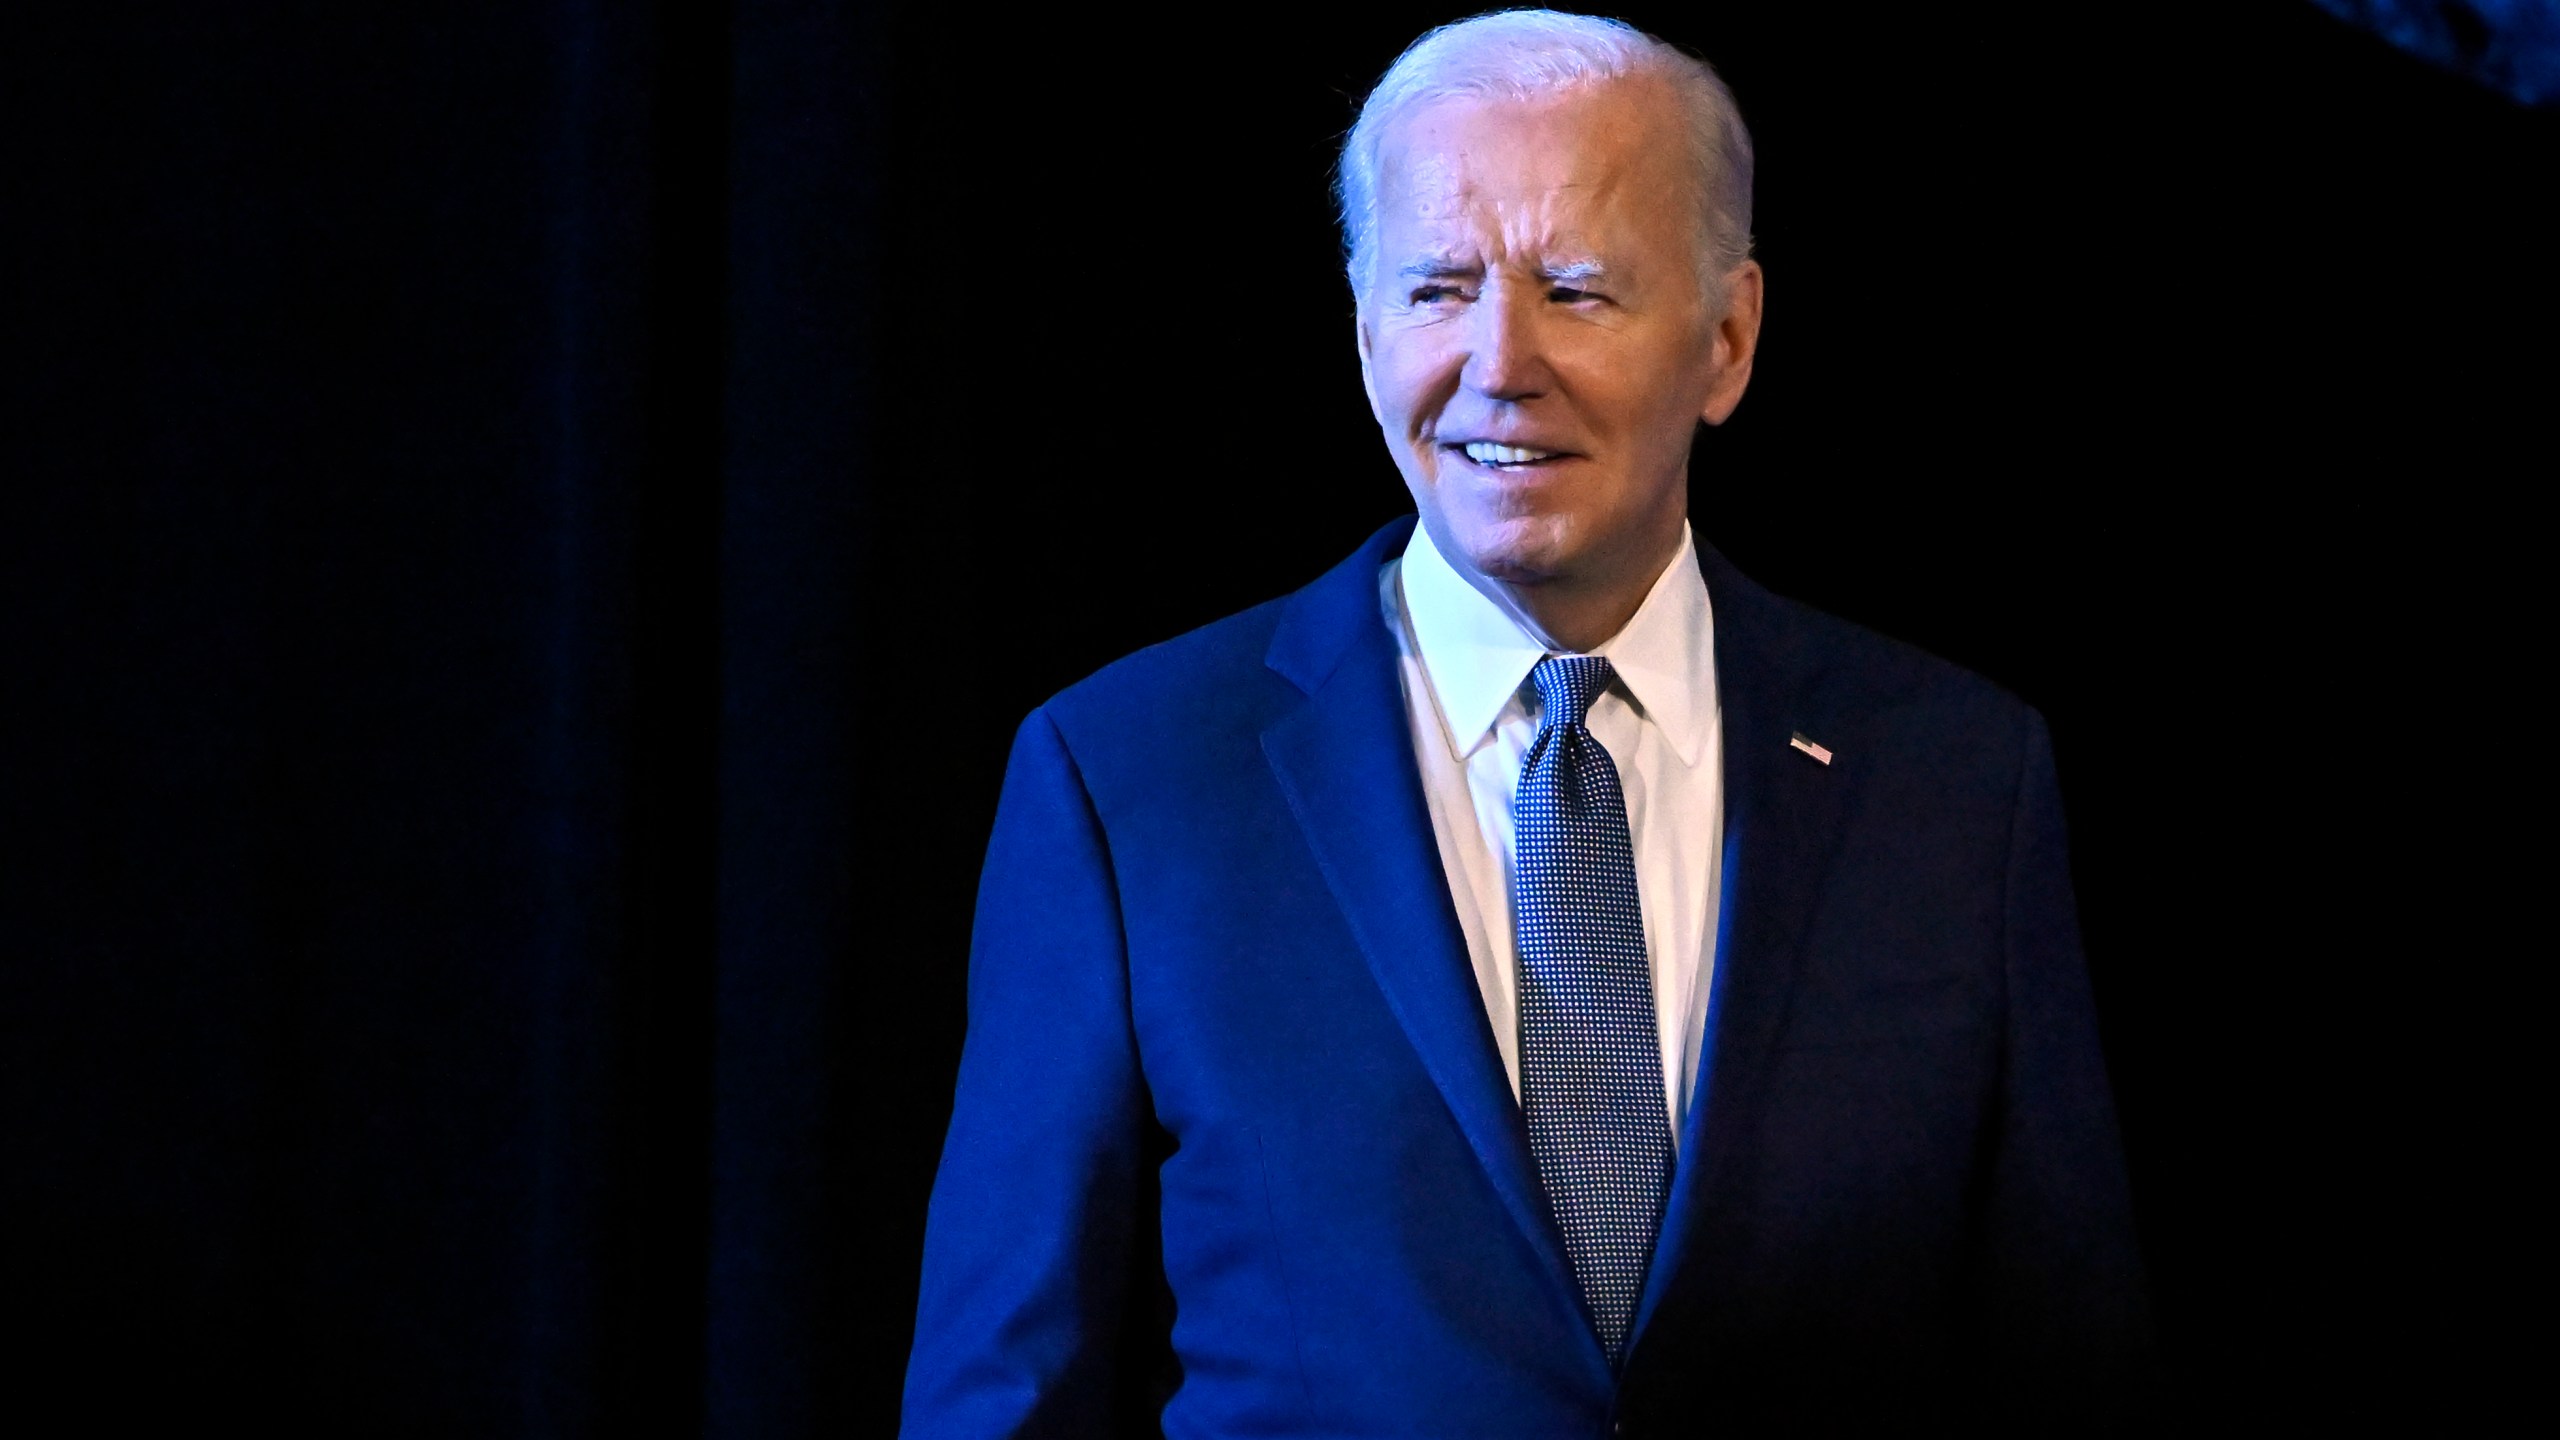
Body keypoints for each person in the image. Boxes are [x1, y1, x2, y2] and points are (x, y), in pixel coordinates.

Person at [901, 11, 2146, 1435]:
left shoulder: (1957, 780)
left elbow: (2069, 1372)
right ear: (1364, 329)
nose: (1500, 363)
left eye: (1577, 290)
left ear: (1729, 338)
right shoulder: (1130, 778)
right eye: (1437, 289)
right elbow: (1004, 1391)